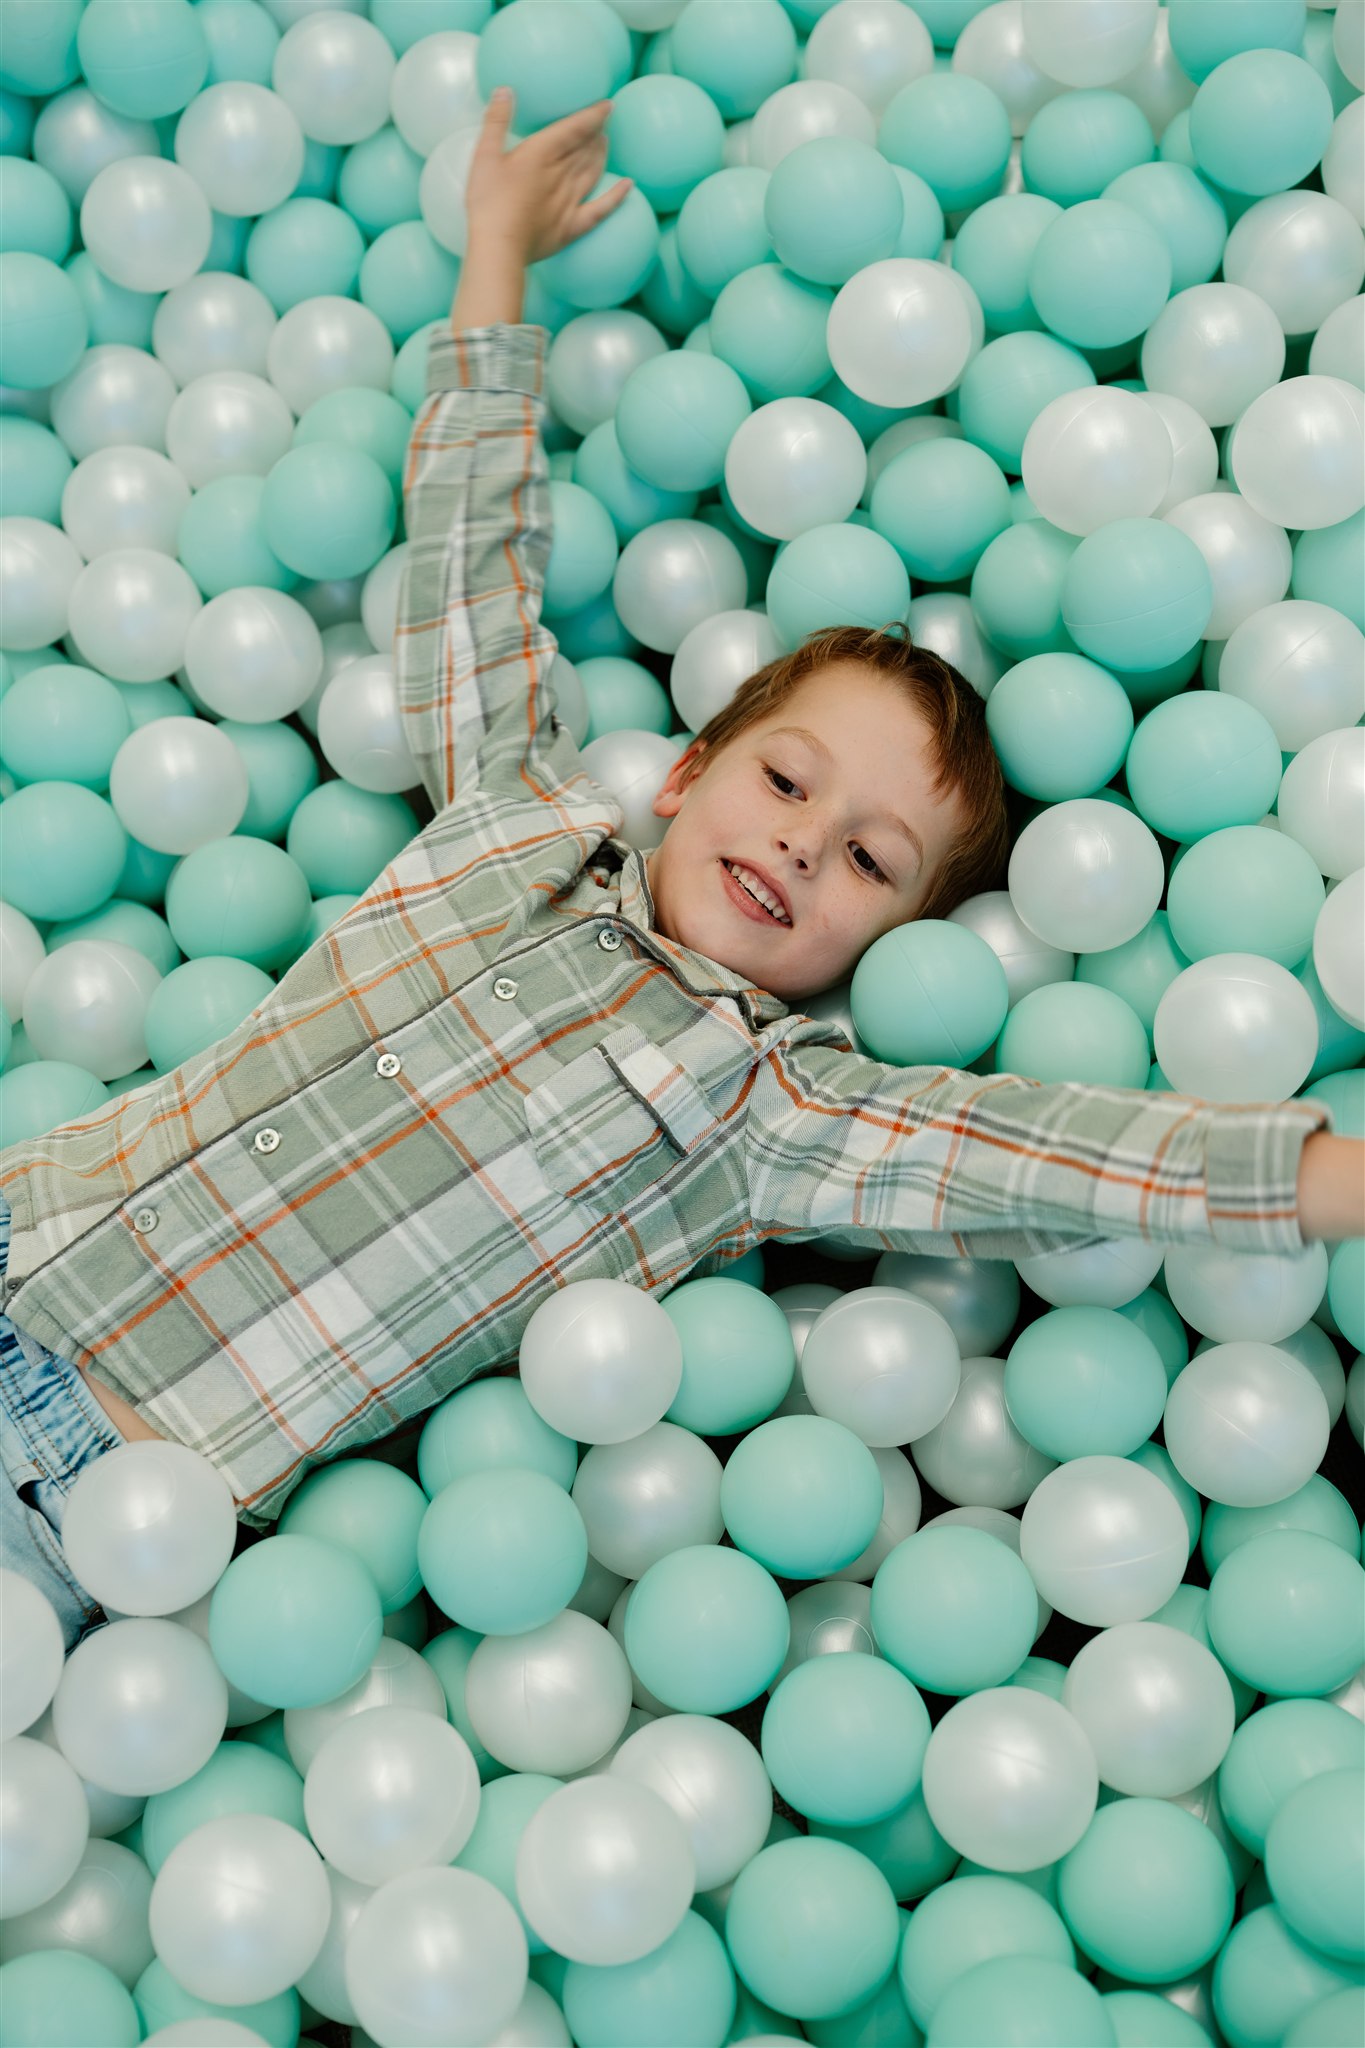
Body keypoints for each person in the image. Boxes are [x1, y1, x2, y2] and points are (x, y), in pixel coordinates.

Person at [1, 94, 1360, 1653]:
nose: (799, 839)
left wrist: (1332, 1180)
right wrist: (496, 250)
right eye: (787, 780)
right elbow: (467, 565)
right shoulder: (510, 820)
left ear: (889, 946)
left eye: (866, 859)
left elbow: (1058, 1157)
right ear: (691, 773)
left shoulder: (767, 1114)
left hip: (83, 1479)